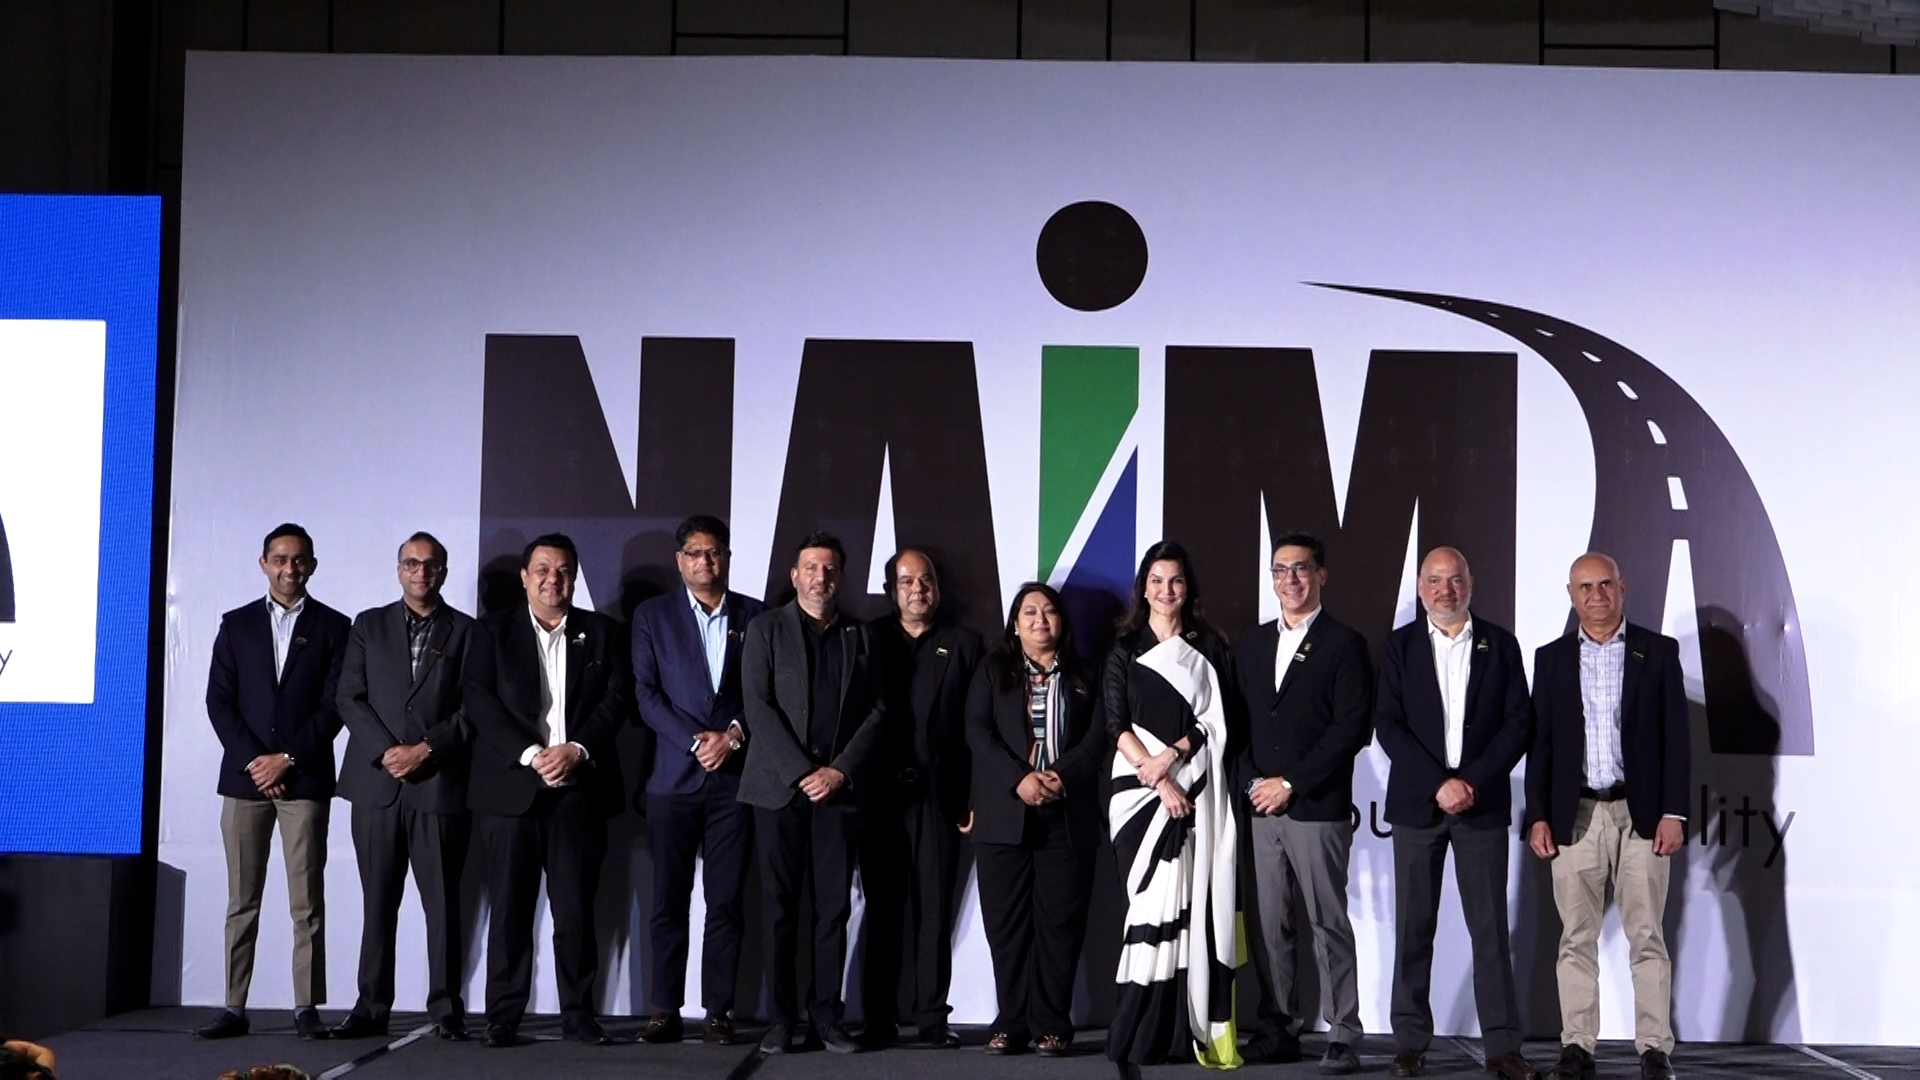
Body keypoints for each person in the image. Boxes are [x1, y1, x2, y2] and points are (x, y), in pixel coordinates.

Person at [464, 533, 633, 1049]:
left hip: (579, 792)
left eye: (562, 571)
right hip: (510, 793)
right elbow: (479, 701)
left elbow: (616, 699)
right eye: (541, 569)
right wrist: (532, 754)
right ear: (524, 576)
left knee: (576, 911)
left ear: (574, 578)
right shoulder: (490, 632)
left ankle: (578, 1014)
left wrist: (576, 749)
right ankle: (502, 1017)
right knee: (509, 912)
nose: (551, 579)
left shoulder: (603, 632)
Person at [1372, 547, 1535, 1079]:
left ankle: (1503, 1048)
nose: (1446, 590)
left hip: (1480, 806)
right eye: (1436, 580)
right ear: (1421, 588)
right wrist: (1438, 784)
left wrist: (1471, 782)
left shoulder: (1501, 645)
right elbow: (1389, 726)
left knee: (1490, 931)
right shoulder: (1399, 646)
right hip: (1418, 806)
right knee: (1413, 930)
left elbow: (1518, 723)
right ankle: (1409, 1044)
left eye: (1456, 579)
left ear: (1471, 583)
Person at [1526, 553, 1688, 1080]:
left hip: (1642, 816)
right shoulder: (1550, 659)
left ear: (1622, 587)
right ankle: (1577, 1046)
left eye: (1604, 585)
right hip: (1574, 816)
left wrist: (1673, 812)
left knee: (1647, 936)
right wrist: (1538, 815)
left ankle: (1654, 1049)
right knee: (1576, 937)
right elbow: (1540, 745)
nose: (1596, 595)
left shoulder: (1657, 652)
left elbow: (1677, 739)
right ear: (1571, 595)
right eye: (1584, 587)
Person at [196, 523, 351, 1041]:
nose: (290, 568)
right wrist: (257, 763)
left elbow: (335, 706)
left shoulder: (335, 627)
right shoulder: (236, 625)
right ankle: (233, 1007)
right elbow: (219, 702)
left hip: (303, 782)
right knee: (242, 902)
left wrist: (286, 759)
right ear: (263, 563)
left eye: (299, 559)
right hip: (245, 785)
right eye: (280, 559)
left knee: (307, 902)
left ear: (312, 565)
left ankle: (306, 1006)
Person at [737, 531, 887, 1055]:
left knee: (833, 910)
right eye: (811, 568)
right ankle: (781, 1021)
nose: (820, 577)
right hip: (778, 789)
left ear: (840, 577)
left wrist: (839, 772)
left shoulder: (861, 635)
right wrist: (803, 771)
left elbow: (878, 711)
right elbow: (756, 705)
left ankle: (826, 1017)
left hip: (839, 793)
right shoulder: (766, 628)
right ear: (794, 576)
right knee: (779, 908)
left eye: (829, 569)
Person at [1232, 531, 1373, 1073]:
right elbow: (1237, 724)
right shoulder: (1251, 644)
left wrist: (1290, 783)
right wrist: (1254, 784)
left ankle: (1343, 1032)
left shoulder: (1344, 644)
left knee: (1326, 922)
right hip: (1260, 807)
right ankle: (1280, 1028)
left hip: (1315, 807)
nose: (1290, 579)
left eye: (1301, 568)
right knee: (1270, 925)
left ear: (1321, 575)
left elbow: (1351, 729)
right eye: (1280, 570)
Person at [330, 532, 475, 1041]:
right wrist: (388, 751)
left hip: (438, 786)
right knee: (377, 902)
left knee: (444, 906)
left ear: (444, 572)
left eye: (430, 565)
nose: (421, 572)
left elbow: (474, 709)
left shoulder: (467, 632)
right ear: (398, 571)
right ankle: (371, 1007)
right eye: (411, 563)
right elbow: (349, 698)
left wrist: (425, 749)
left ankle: (446, 1009)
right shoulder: (368, 625)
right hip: (376, 786)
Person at [1102, 541, 1240, 1068]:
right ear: (1143, 588)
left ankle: (1179, 1033)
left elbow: (1218, 721)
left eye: (1176, 580)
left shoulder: (1209, 646)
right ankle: (1135, 1034)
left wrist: (1175, 756)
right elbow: (1115, 724)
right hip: (1138, 797)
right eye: (1156, 581)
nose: (1166, 591)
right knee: (1148, 906)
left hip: (1196, 790)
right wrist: (1158, 779)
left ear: (1188, 587)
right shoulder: (1124, 647)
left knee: (1189, 911)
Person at [631, 515, 764, 1046]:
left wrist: (732, 736)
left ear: (727, 557)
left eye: (714, 552)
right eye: (694, 553)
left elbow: (766, 694)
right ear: (679, 560)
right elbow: (646, 695)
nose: (705, 561)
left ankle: (718, 1011)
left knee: (726, 901)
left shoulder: (756, 615)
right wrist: (696, 741)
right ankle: (664, 1009)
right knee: (668, 900)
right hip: (672, 779)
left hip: (735, 781)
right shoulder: (652, 615)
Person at [965, 582, 1103, 1058]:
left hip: (1066, 815)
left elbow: (1099, 736)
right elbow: (977, 731)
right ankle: (1010, 1023)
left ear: (1061, 621)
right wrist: (1019, 779)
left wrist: (1061, 776)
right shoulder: (992, 670)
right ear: (1015, 624)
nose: (1040, 620)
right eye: (1029, 612)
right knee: (1006, 927)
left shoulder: (1086, 673)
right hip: (1004, 814)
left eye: (1049, 611)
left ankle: (1052, 1025)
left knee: (1059, 926)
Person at [859, 548, 982, 1049]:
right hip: (879, 797)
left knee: (934, 911)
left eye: (925, 579)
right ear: (891, 590)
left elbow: (977, 727)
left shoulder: (965, 644)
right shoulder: (866, 639)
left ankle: (931, 1016)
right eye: (907, 581)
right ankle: (878, 1018)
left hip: (939, 796)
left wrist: (971, 796)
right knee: (883, 911)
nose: (917, 589)